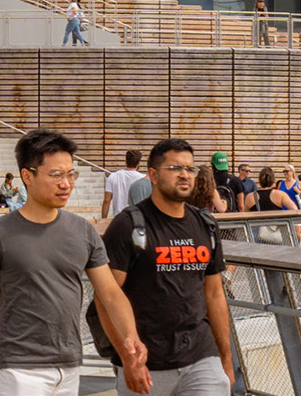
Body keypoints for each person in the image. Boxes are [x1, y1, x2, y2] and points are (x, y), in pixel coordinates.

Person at [0, 129, 147, 396]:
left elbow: (111, 294)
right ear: (28, 176)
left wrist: (131, 336)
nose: (66, 184)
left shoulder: (83, 232)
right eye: (56, 175)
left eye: (71, 174)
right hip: (19, 368)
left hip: (70, 365)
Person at [92, 139, 234, 396]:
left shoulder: (206, 225)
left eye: (190, 169)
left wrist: (225, 357)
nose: (185, 175)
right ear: (153, 175)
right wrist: (127, 358)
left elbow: (214, 294)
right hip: (146, 364)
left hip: (201, 357)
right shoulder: (127, 225)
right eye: (175, 168)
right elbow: (106, 297)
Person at [103, 150, 146, 218]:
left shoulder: (113, 176)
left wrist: (104, 218)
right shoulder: (143, 178)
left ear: (126, 161)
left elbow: (107, 200)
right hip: (136, 218)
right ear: (139, 163)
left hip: (119, 218)